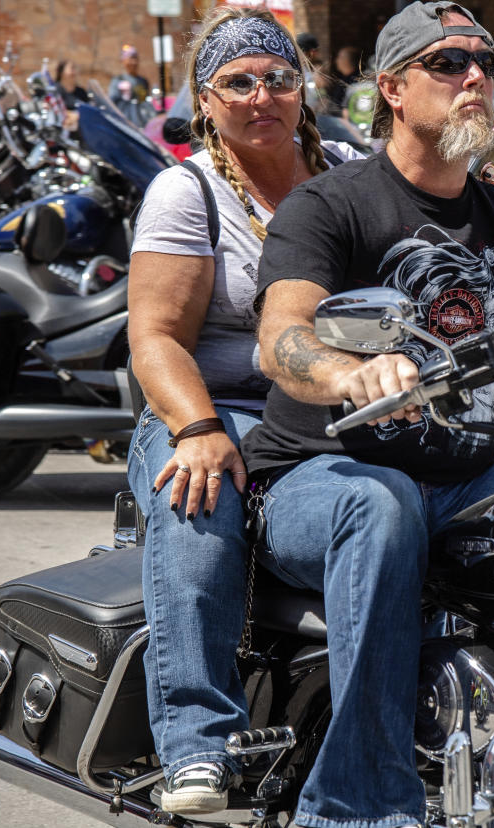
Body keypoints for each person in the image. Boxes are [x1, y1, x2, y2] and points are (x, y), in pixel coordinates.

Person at [240, 3, 494, 826]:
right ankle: (355, 807)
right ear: (394, 88)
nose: (476, 77)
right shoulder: (330, 206)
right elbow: (282, 341)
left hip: (469, 471)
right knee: (381, 504)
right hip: (317, 477)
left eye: (484, 63)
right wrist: (350, 370)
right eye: (448, 63)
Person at [125, 6, 358, 816]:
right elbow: (153, 337)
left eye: (280, 77)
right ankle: (197, 742)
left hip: (342, 404)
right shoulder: (185, 191)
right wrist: (195, 429)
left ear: (306, 89)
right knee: (201, 494)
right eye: (239, 82)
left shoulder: (353, 171)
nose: (263, 95)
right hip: (215, 403)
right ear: (205, 99)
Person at [111, 44, 151, 127]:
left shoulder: (143, 81)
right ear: (123, 61)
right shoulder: (118, 80)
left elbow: (146, 101)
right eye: (130, 58)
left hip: (143, 122)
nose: (133, 62)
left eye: (135, 58)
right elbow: (113, 102)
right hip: (126, 124)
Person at [322, 45, 360, 115]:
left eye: (339, 57)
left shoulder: (356, 82)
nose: (336, 61)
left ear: (347, 60)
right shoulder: (343, 79)